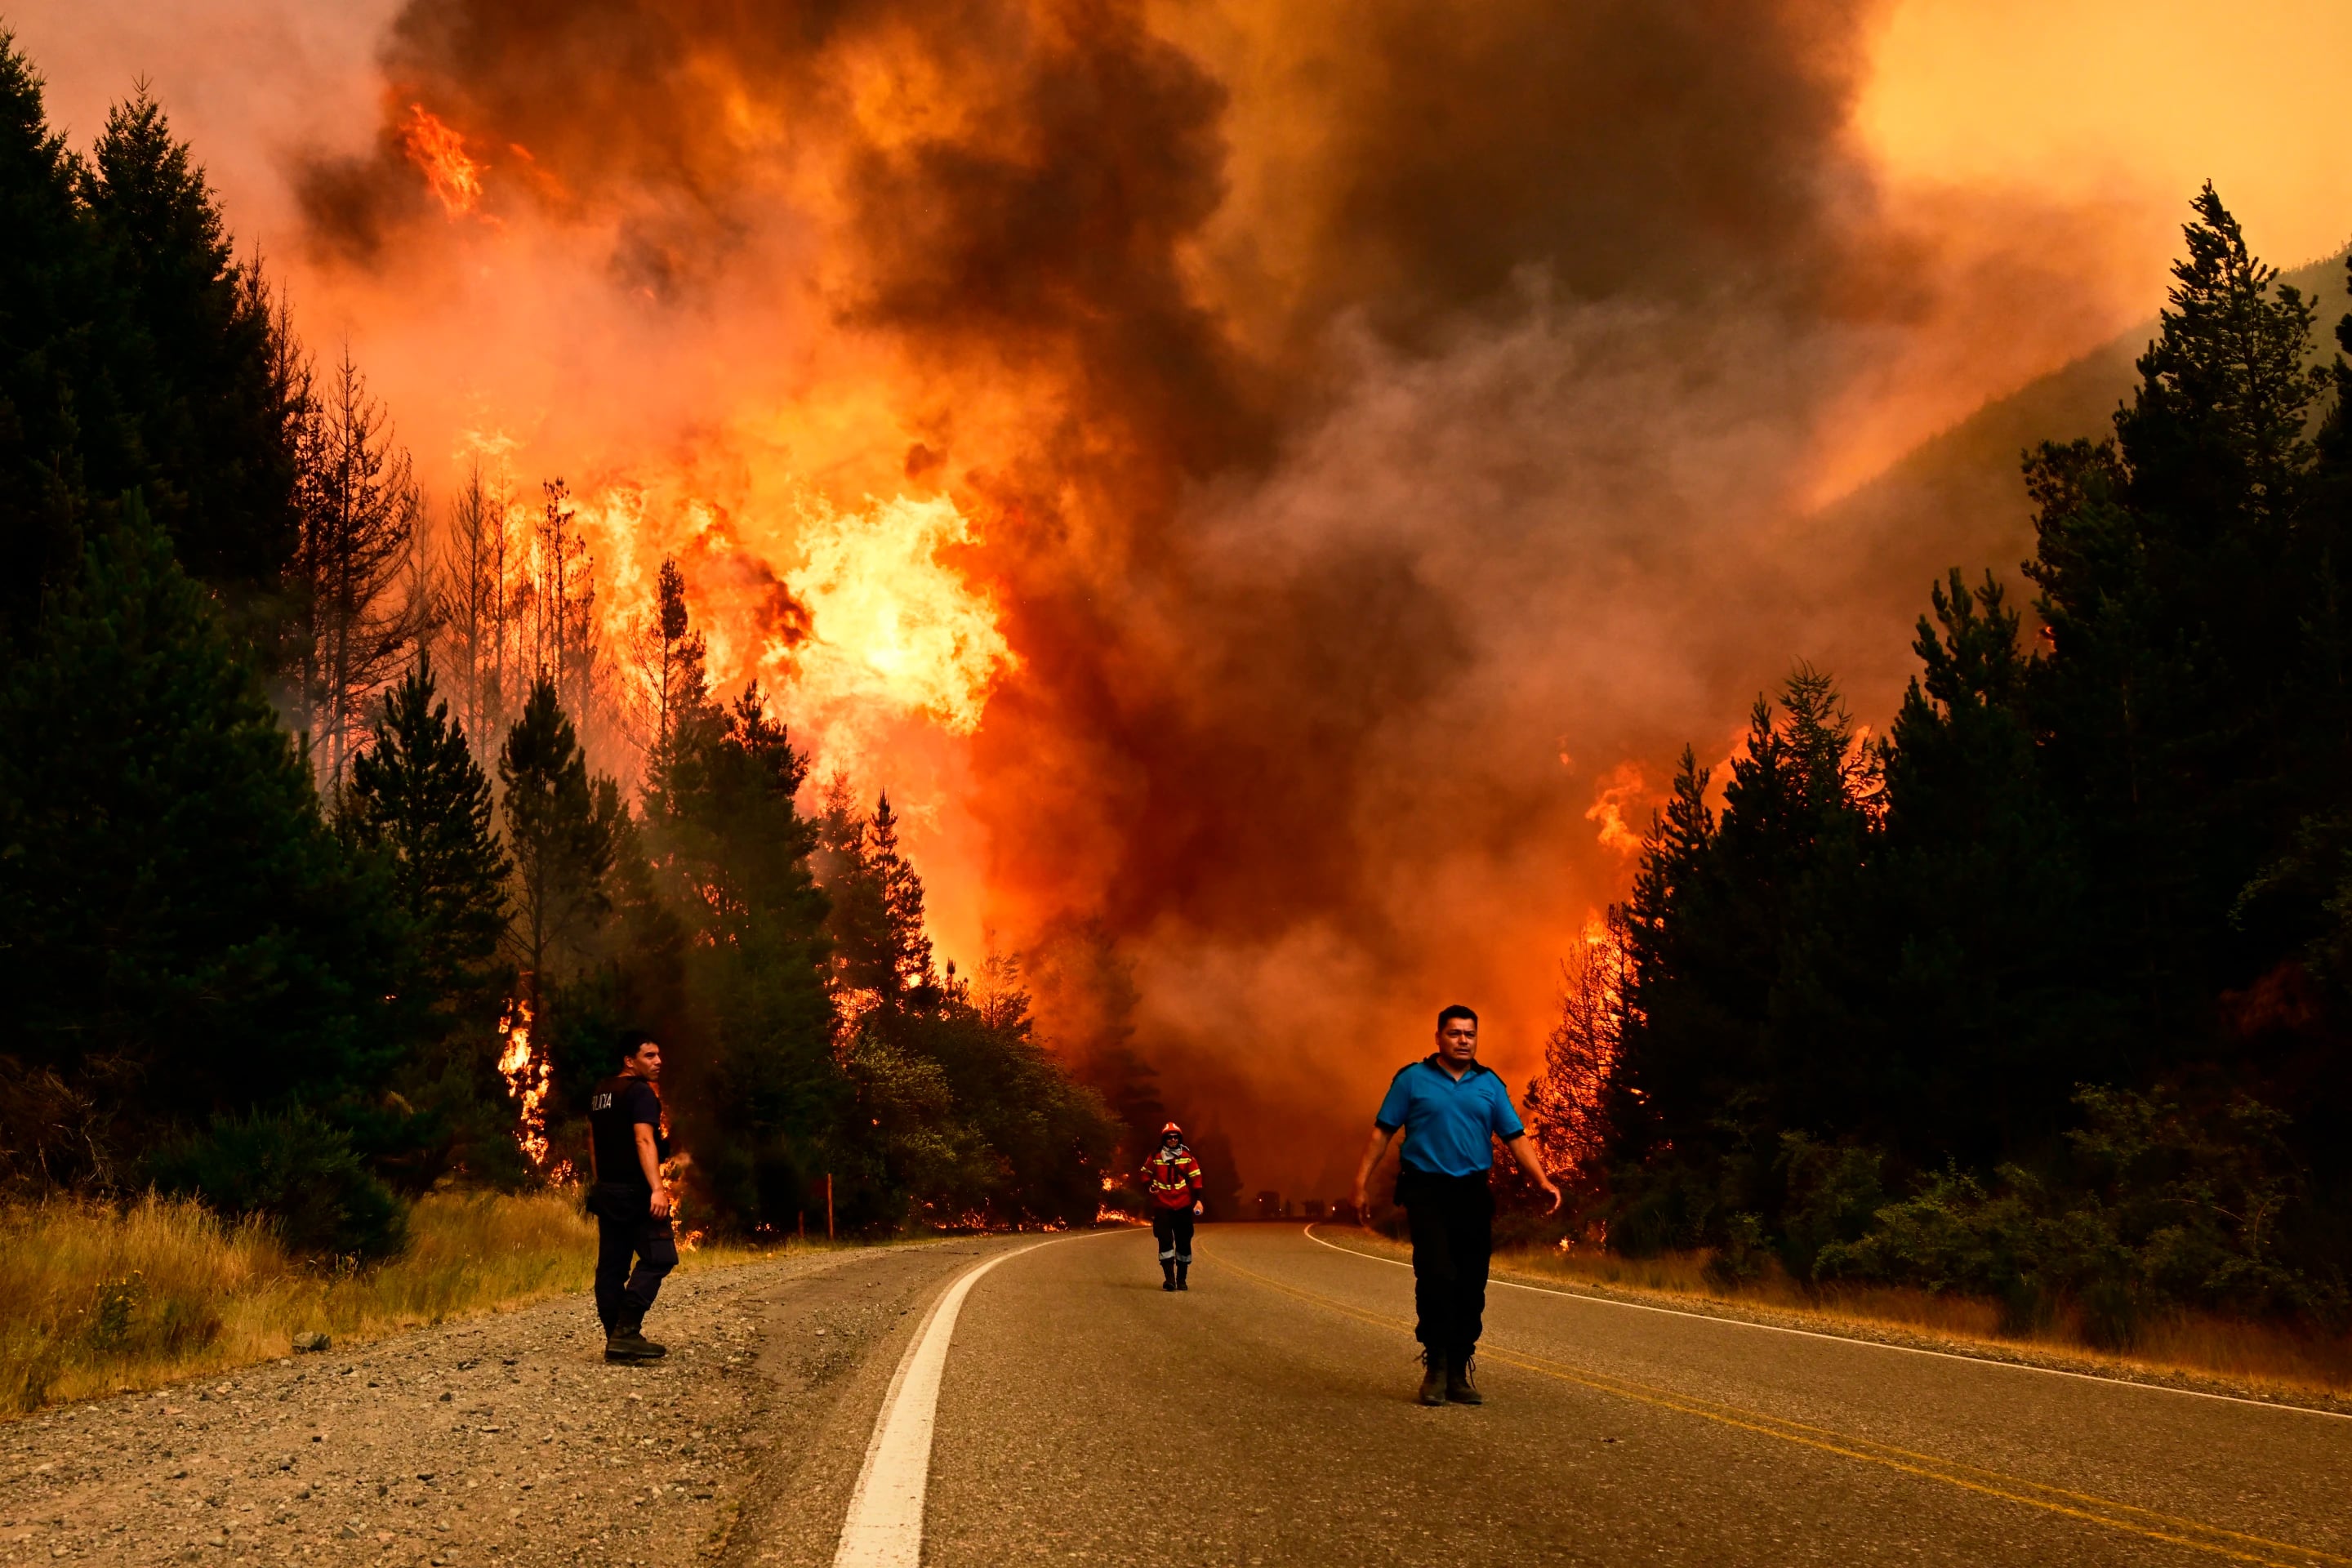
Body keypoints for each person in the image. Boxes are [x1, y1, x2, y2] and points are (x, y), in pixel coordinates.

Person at [1353, 1004, 1559, 1406]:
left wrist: (1542, 1180)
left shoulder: (1489, 1084)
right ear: (1438, 1038)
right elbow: (1382, 1134)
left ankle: (1460, 1366)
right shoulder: (1412, 1080)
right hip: (1426, 1190)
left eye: (1469, 1034)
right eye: (1454, 1033)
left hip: (1472, 1193)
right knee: (1436, 1275)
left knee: (1470, 1282)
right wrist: (1359, 1183)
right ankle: (1437, 1366)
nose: (1463, 1040)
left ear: (1476, 1039)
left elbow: (1515, 1138)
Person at [587, 1030, 679, 1364]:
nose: (659, 1062)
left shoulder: (601, 1092)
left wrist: (602, 1184)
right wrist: (657, 1188)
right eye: (649, 1056)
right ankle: (626, 1331)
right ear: (630, 1060)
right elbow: (644, 1141)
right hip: (635, 1192)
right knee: (660, 1257)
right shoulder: (640, 1093)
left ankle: (616, 1339)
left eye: (658, 1055)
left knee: (611, 1267)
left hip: (608, 1191)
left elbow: (593, 1144)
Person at [1140, 1121, 1206, 1291]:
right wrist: (1149, 1186)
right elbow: (1145, 1174)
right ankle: (1169, 1279)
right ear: (1164, 1139)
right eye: (1169, 1137)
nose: (1172, 1140)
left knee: (1184, 1243)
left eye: (1175, 1137)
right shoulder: (1155, 1156)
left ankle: (1182, 1279)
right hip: (1162, 1206)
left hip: (1183, 1207)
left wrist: (1198, 1200)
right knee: (1165, 1241)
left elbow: (1196, 1179)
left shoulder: (1187, 1156)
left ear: (1180, 1138)